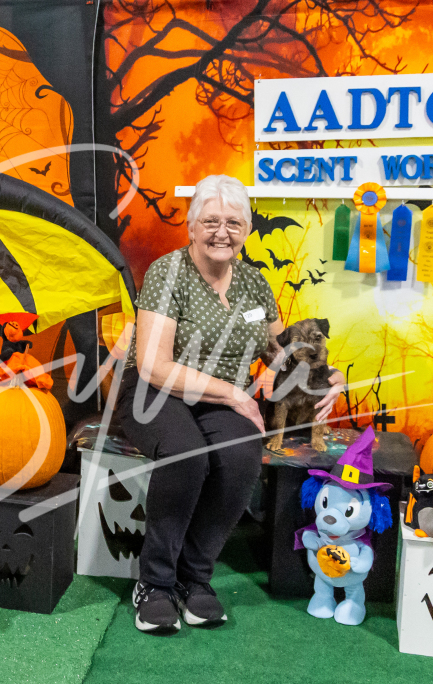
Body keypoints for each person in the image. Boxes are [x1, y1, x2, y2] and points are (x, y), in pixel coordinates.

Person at [120, 174, 344, 633]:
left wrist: (331, 376)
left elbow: (280, 351)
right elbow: (154, 365)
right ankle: (155, 583)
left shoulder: (254, 285)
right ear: (191, 226)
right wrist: (234, 393)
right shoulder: (168, 273)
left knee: (241, 455)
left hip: (221, 397)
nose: (222, 232)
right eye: (211, 221)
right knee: (186, 454)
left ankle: (193, 578)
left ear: (247, 229)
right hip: (155, 391)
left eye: (233, 222)